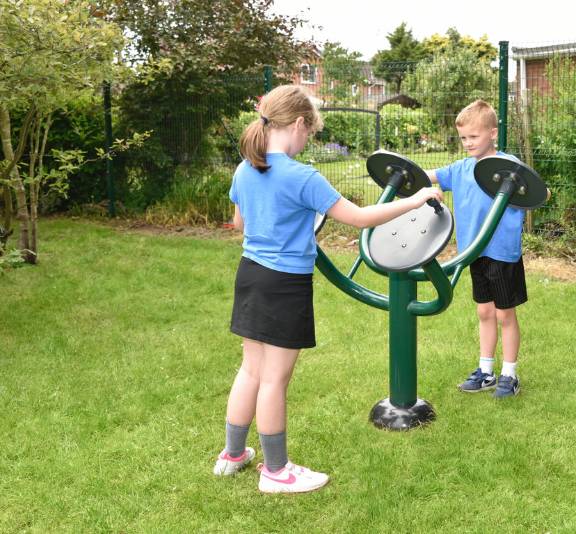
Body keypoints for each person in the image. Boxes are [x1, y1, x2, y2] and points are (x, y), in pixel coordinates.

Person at [214, 85, 442, 493]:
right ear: (299, 124)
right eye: (310, 133)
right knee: (273, 380)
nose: (308, 141)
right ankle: (276, 471)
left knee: (250, 368)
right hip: (284, 285)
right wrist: (417, 199)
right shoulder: (302, 176)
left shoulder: (244, 168)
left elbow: (240, 225)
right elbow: (359, 218)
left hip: (249, 275)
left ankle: (232, 456)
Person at [427, 99, 548, 399]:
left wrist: (535, 191)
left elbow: (541, 192)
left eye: (474, 137)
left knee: (505, 315)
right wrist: (428, 188)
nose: (468, 143)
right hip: (474, 252)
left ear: (492, 133)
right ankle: (486, 371)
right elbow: (426, 176)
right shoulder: (460, 169)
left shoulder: (509, 167)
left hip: (502, 252)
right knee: (484, 312)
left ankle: (509, 374)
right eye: (463, 138)